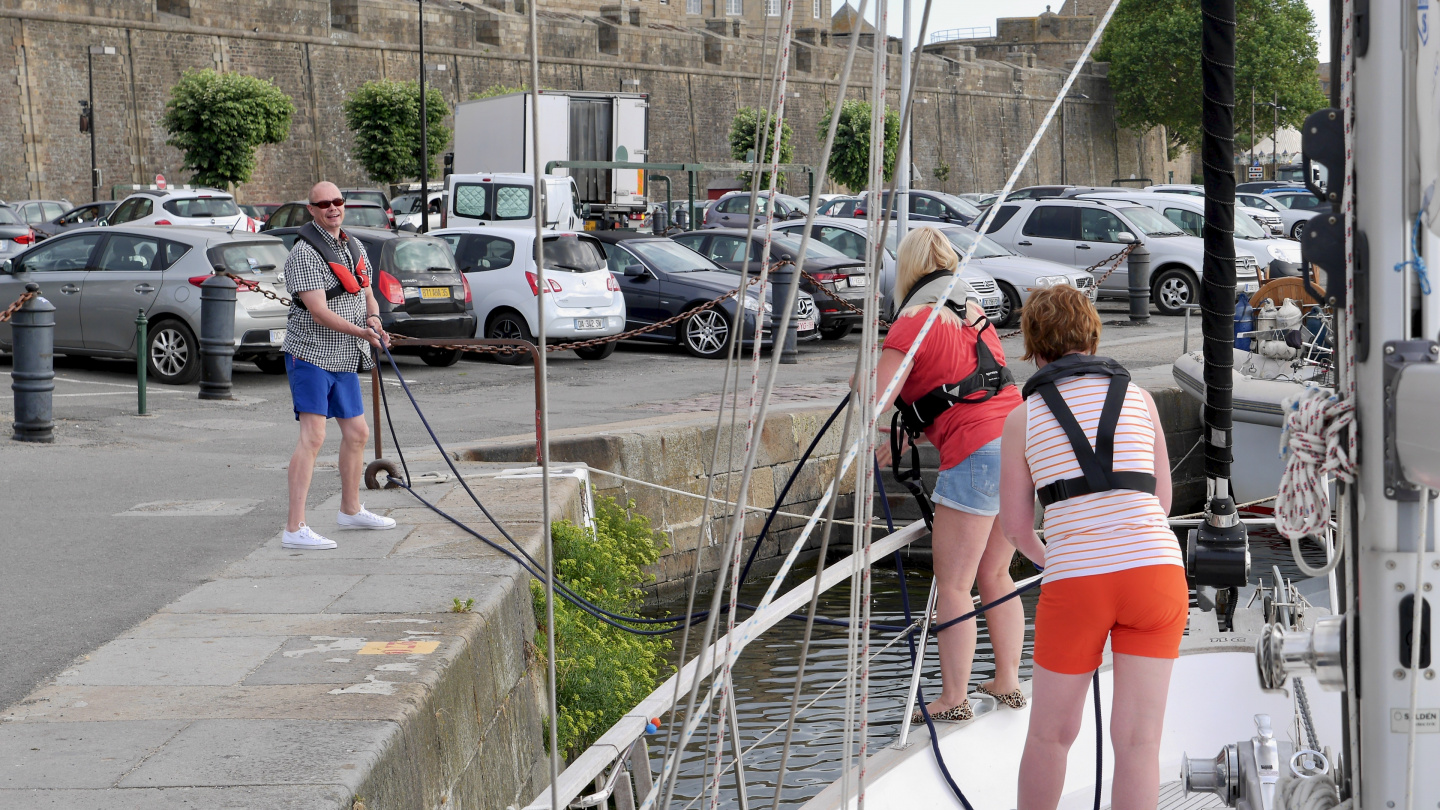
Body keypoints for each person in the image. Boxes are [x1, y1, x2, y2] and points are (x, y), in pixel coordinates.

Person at [998, 285, 1186, 810]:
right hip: (1156, 573)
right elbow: (1162, 502)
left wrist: (1055, 557)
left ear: (1034, 344)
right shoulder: (1140, 399)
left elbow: (1016, 528)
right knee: (1139, 744)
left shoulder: (1023, 418)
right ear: (1092, 331)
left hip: (1078, 581)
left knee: (1050, 737)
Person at [872, 226, 1026, 722]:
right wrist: (913, 434)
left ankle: (953, 698)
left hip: (977, 453)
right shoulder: (974, 315)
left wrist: (863, 379)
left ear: (909, 270)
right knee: (996, 572)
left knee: (954, 583)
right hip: (1021, 446)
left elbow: (875, 400)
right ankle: (1007, 681)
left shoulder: (910, 324)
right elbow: (967, 387)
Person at [280, 181, 396, 550]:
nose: (332, 208)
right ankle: (294, 528)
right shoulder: (303, 253)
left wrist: (375, 320)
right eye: (324, 203)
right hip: (310, 354)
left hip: (344, 355)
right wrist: (363, 333)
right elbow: (317, 311)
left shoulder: (353, 245)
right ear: (311, 209)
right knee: (313, 437)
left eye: (338, 202)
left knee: (358, 432)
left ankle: (350, 509)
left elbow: (366, 293)